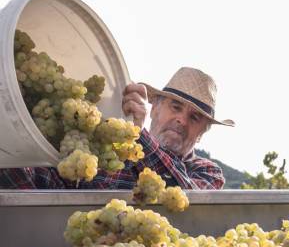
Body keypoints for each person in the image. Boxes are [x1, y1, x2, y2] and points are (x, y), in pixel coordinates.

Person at [0, 67, 234, 190]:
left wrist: (138, 134)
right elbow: (41, 186)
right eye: (175, 107)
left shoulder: (207, 173)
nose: (181, 120)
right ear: (155, 109)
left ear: (202, 134)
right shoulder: (103, 152)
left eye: (194, 118)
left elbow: (182, 199)